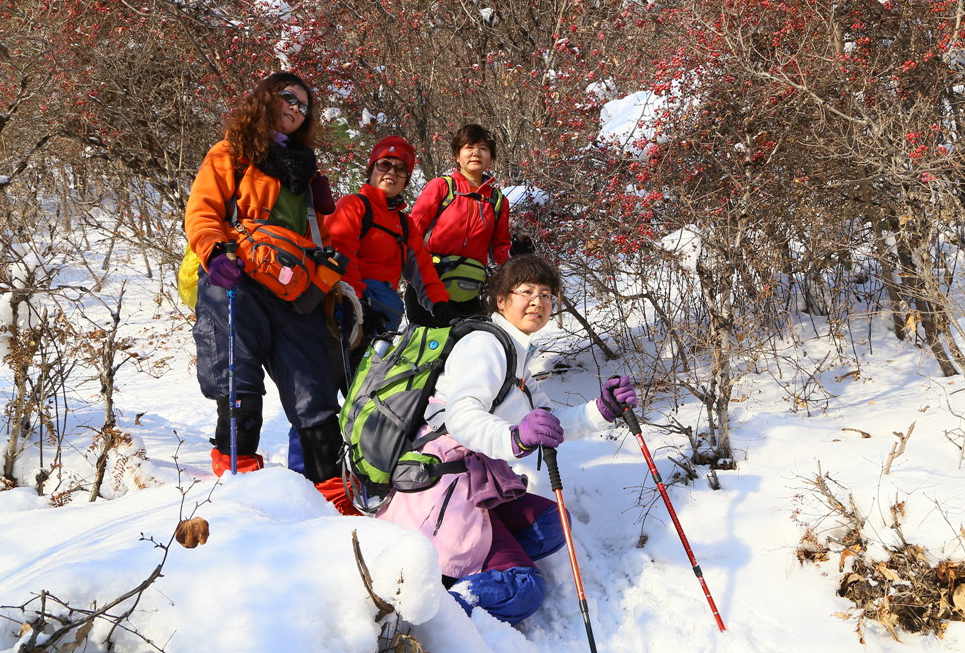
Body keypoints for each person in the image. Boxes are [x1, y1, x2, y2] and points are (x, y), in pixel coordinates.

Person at [377, 254, 638, 624]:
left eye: (547, 294)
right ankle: (432, 610)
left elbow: (549, 422)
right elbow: (462, 416)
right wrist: (514, 438)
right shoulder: (486, 345)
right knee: (522, 589)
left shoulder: (517, 356)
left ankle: (485, 554)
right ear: (501, 301)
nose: (538, 301)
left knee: (550, 524)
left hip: (475, 481)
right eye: (526, 291)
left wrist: (603, 409)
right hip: (441, 485)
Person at [184, 71, 353, 512]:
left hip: (294, 289)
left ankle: (333, 495)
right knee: (238, 382)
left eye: (304, 106)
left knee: (313, 389)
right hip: (237, 277)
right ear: (263, 99)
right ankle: (237, 489)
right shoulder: (231, 154)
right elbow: (202, 210)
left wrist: (332, 279)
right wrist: (214, 252)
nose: (296, 109)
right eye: (288, 98)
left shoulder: (306, 171)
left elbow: (315, 235)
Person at [326, 135, 457, 373]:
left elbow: (424, 269)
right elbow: (340, 254)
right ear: (371, 169)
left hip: (387, 314)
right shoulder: (353, 205)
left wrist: (440, 306)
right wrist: (357, 305)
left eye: (400, 169)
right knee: (343, 381)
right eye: (384, 164)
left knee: (367, 390)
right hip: (348, 309)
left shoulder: (404, 224)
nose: (392, 172)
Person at [405, 124, 512, 324]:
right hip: (430, 283)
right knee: (427, 348)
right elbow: (413, 231)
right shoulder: (442, 186)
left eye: (483, 148)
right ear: (457, 155)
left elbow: (500, 247)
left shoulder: (497, 201)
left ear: (491, 157)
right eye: (469, 147)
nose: (476, 153)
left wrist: (517, 258)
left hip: (470, 288)